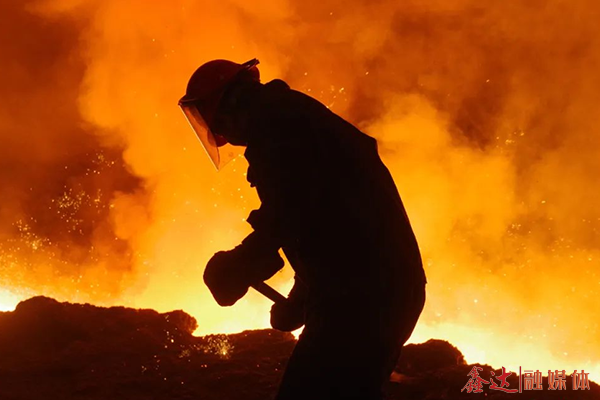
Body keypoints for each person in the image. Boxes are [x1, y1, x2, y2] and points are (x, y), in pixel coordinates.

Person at [179, 58, 427, 400]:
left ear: (229, 107)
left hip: (363, 299)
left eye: (216, 120)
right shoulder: (290, 118)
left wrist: (238, 265)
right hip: (374, 291)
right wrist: (304, 295)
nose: (222, 134)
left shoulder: (278, 130)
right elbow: (324, 221)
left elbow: (290, 210)